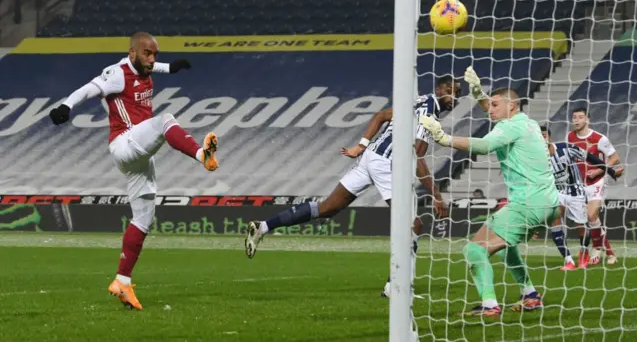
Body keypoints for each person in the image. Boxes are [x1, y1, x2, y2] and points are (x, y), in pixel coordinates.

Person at [48, 32, 219, 310]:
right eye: (147, 54)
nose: (152, 60)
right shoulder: (117, 73)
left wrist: (172, 67)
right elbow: (90, 88)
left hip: (138, 154)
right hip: (125, 142)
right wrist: (66, 105)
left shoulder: (146, 67)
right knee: (165, 120)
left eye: (156, 55)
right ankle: (202, 155)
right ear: (132, 53)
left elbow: (152, 66)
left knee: (144, 218)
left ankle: (122, 282)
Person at [244, 76, 462, 294]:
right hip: (385, 163)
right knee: (413, 224)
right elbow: (416, 156)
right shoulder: (428, 112)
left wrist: (361, 146)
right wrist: (436, 195)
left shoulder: (417, 100)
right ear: (439, 89)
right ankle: (395, 286)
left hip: (370, 156)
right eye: (450, 90)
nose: (454, 97)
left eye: (458, 93)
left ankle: (263, 226)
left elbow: (380, 116)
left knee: (327, 208)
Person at [420, 81, 557, 316]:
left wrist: (444, 138)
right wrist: (479, 95)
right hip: (547, 202)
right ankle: (530, 295)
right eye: (488, 105)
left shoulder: (510, 126)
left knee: (474, 250)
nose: (489, 109)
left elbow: (485, 146)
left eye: (494, 105)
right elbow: (498, 109)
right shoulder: (529, 123)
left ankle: (490, 305)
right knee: (505, 248)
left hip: (528, 202)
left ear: (511, 106)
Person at [540, 126, 621, 270]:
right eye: (538, 136)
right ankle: (568, 260)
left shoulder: (565, 148)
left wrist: (610, 171)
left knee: (581, 227)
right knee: (555, 218)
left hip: (575, 191)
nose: (541, 138)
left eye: (544, 135)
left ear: (549, 138)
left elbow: (589, 157)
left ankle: (584, 253)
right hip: (557, 192)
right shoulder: (537, 159)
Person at [567, 107, 624, 265]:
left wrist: (599, 170)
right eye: (574, 117)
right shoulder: (570, 136)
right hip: (579, 183)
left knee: (592, 216)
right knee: (592, 220)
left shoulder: (599, 138)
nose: (577, 120)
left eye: (580, 117)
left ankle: (597, 247)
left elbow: (615, 158)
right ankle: (611, 254)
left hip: (597, 181)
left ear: (587, 120)